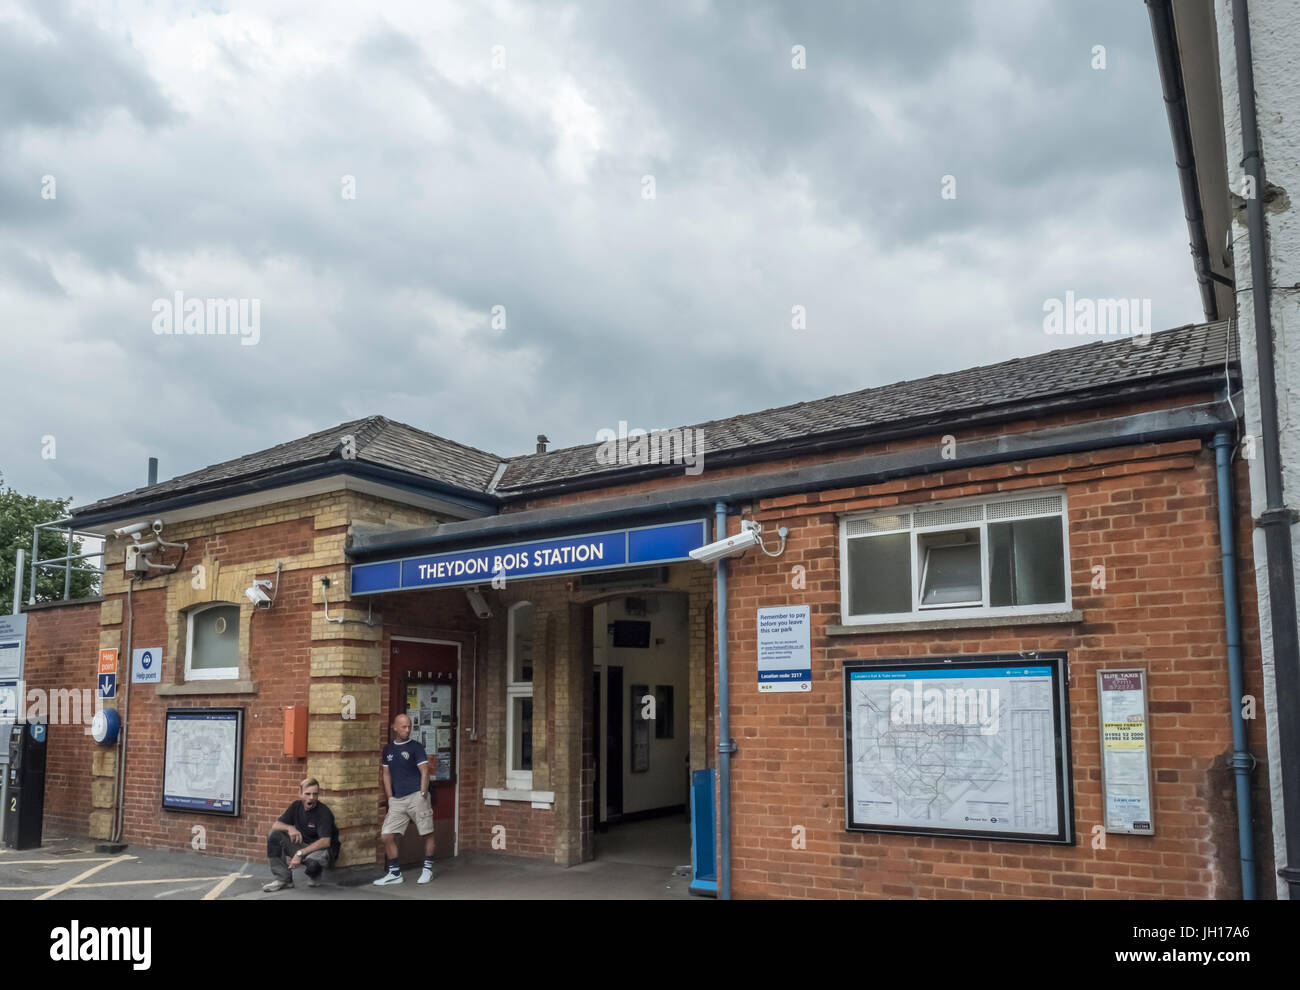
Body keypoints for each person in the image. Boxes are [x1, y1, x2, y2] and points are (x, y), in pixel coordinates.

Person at [374, 713, 436, 885]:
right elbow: (386, 774)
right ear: (395, 728)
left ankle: (427, 869)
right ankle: (395, 874)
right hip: (397, 800)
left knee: (427, 833)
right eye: (403, 726)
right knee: (386, 836)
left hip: (417, 796)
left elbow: (425, 771)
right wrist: (390, 797)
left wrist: (423, 794)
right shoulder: (388, 750)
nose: (407, 730)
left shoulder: (416, 747)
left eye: (409, 726)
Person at [263, 777, 339, 893]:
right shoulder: (296, 806)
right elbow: (276, 825)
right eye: (307, 794)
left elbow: (325, 841)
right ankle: (283, 880)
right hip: (303, 845)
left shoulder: (324, 812)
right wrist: (290, 827)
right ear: (300, 793)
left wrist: (300, 853)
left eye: (315, 794)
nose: (311, 798)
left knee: (312, 864)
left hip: (322, 850)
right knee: (274, 835)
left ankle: (315, 874)